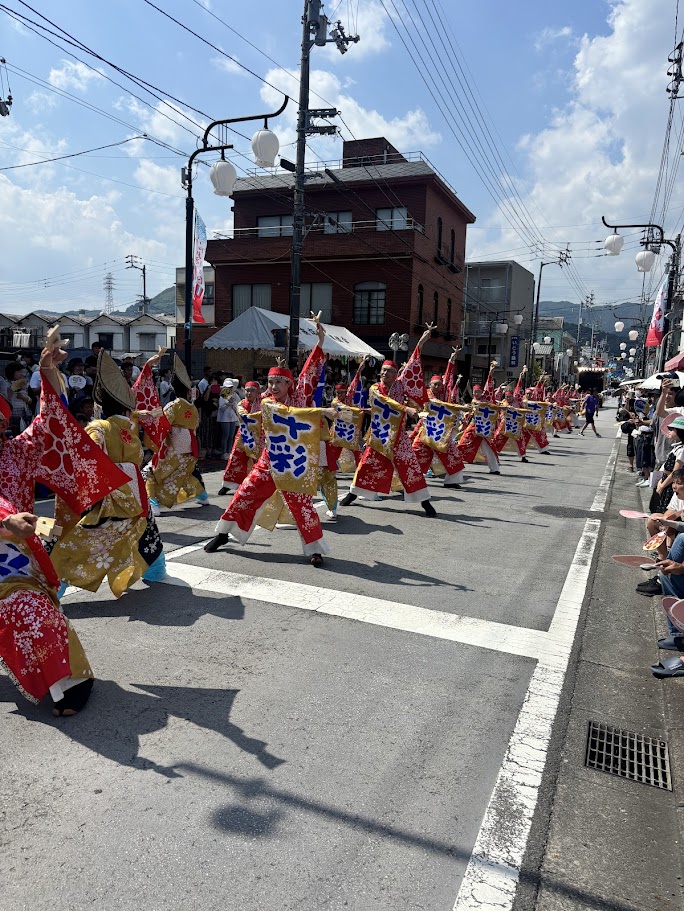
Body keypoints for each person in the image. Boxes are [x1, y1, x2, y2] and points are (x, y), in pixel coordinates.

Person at [0, 337, 130, 715]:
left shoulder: (18, 452)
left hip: (14, 558)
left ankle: (70, 679)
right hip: (12, 530)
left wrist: (47, 372)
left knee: (31, 612)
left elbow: (51, 419)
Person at [204, 316, 335, 566]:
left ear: (290, 384)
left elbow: (310, 371)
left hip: (294, 463)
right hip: (269, 459)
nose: (273, 386)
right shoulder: (267, 403)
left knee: (302, 507)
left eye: (278, 382)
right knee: (244, 494)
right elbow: (262, 414)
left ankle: (315, 549)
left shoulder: (300, 397)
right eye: (270, 382)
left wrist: (320, 341)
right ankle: (223, 534)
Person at [50, 350, 167, 597]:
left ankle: (57, 582)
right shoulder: (130, 429)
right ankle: (155, 571)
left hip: (111, 495)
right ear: (126, 410)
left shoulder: (99, 427)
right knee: (145, 531)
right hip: (134, 493)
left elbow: (88, 462)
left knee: (87, 541)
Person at [339, 326, 437, 516]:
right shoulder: (375, 388)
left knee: (410, 466)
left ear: (395, 374)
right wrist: (406, 408)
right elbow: (387, 402)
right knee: (367, 465)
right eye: (382, 371)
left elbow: (412, 363)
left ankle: (425, 502)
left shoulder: (400, 384)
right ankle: (353, 494)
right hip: (379, 436)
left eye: (388, 371)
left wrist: (422, 342)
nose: (384, 374)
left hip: (399, 437)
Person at [143, 354, 207, 516]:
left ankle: (153, 503)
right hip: (189, 444)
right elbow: (196, 424)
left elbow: (163, 423)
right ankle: (202, 496)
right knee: (183, 473)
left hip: (174, 444)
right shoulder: (191, 407)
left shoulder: (174, 405)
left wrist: (150, 416)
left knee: (152, 472)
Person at [411, 350, 468, 487]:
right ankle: (406, 480)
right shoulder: (427, 396)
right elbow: (439, 404)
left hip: (442, 432)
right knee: (414, 454)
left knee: (453, 455)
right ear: (429, 385)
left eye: (439, 385)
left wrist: (451, 361)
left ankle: (452, 481)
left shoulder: (443, 394)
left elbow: (448, 379)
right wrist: (459, 408)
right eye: (434, 384)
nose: (437, 387)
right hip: (427, 430)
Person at [457, 362, 503, 474]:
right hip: (474, 425)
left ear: (482, 392)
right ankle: (454, 465)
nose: (477, 394)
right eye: (475, 392)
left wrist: (491, 373)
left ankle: (495, 468)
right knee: (463, 443)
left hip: (485, 427)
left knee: (489, 447)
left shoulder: (485, 399)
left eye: (478, 392)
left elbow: (489, 387)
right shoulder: (473, 401)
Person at [218, 381, 262, 495]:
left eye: (252, 390)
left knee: (257, 461)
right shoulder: (241, 403)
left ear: (258, 392)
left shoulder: (263, 404)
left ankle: (255, 484)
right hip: (243, 435)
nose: (249, 393)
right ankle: (228, 484)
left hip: (258, 437)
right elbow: (245, 416)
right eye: (247, 390)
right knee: (235, 459)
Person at [217, 378, 239, 459]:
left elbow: (236, 407)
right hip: (224, 418)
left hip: (232, 417)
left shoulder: (234, 395)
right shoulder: (222, 396)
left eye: (230, 387)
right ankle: (224, 452)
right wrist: (227, 404)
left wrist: (232, 404)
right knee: (225, 435)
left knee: (231, 436)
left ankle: (230, 451)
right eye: (228, 387)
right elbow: (221, 408)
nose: (229, 389)